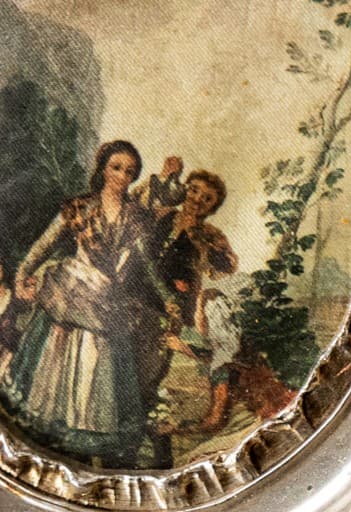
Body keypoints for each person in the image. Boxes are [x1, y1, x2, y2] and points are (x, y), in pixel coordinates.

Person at [3, 140, 161, 468]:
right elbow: (46, 243)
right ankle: (52, 443)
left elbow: (141, 266)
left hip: (106, 297)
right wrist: (23, 272)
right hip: (71, 289)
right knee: (57, 360)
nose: (122, 176)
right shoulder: (80, 207)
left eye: (130, 171)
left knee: (98, 366)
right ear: (103, 168)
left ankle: (87, 434)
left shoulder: (136, 217)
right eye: (116, 167)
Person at [138, 161, 238, 449]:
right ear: (184, 190)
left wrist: (208, 251)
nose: (197, 199)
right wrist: (164, 175)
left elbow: (226, 267)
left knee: (154, 366)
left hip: (173, 307)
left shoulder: (210, 235)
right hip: (139, 295)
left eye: (207, 199)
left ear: (212, 208)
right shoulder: (163, 215)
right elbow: (137, 204)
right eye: (194, 190)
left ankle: (154, 435)